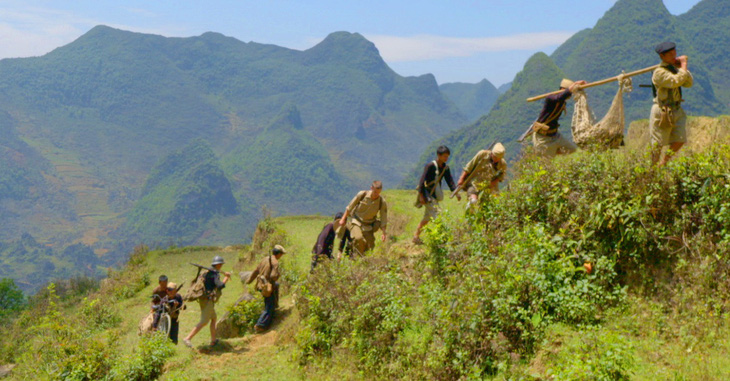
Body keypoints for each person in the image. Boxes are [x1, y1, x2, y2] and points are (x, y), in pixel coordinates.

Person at [650, 41, 693, 166]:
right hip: (662, 110)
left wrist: (681, 68)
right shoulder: (659, 72)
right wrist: (683, 66)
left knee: (680, 139)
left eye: (674, 53)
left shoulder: (675, 69)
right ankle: (653, 170)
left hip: (676, 109)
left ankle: (663, 163)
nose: (673, 55)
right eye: (669, 54)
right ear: (662, 56)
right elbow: (676, 81)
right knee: (657, 143)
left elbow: (688, 83)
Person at [413, 145, 460, 244]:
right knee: (438, 215)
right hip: (427, 195)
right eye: (444, 156)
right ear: (438, 155)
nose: (446, 158)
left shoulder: (445, 168)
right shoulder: (430, 166)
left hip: (434, 196)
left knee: (427, 218)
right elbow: (421, 182)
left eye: (447, 156)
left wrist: (456, 193)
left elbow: (450, 181)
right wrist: (421, 196)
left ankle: (416, 236)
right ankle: (441, 238)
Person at [183, 256, 230, 348]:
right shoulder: (214, 274)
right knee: (204, 321)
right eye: (221, 264)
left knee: (213, 318)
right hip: (207, 300)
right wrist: (226, 278)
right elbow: (219, 285)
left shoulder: (208, 272)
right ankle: (187, 338)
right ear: (219, 264)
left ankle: (213, 340)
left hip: (205, 299)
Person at [532, 78, 588, 157]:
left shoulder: (562, 102)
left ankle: (553, 150)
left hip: (556, 136)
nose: (570, 95)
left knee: (573, 150)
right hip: (543, 139)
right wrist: (575, 84)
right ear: (562, 89)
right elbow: (559, 97)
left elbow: (562, 97)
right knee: (546, 166)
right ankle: (550, 151)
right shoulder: (550, 99)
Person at [339, 181, 388, 256]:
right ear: (371, 188)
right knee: (359, 239)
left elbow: (383, 218)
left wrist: (384, 233)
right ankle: (355, 258)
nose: (376, 194)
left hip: (368, 226)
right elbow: (350, 207)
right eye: (375, 192)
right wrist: (343, 219)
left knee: (369, 246)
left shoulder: (381, 201)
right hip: (356, 222)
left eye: (378, 192)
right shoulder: (362, 194)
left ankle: (362, 260)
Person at [246, 245, 287, 332]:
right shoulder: (275, 262)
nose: (281, 256)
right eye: (281, 254)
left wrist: (249, 280)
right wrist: (278, 275)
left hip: (260, 284)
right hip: (267, 286)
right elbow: (273, 276)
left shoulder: (265, 258)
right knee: (269, 306)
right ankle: (260, 325)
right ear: (279, 254)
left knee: (276, 285)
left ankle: (275, 305)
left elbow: (256, 270)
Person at [457, 143, 507, 208]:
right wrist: (461, 179)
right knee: (472, 202)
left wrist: (492, 184)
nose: (496, 159)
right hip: (475, 183)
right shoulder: (482, 155)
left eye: (498, 158)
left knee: (491, 204)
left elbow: (501, 177)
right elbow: (469, 167)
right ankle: (469, 216)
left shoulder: (502, 164)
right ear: (492, 153)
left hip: (490, 185)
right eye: (495, 157)